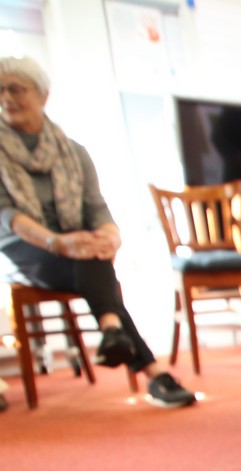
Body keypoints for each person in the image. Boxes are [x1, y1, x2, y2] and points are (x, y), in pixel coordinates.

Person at [0, 56, 195, 408]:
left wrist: (110, 237)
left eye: (16, 89)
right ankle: (142, 362)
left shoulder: (74, 152)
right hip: (23, 246)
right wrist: (57, 241)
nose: (7, 98)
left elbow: (97, 209)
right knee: (90, 260)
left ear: (43, 95)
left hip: (76, 247)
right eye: (1, 90)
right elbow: (7, 216)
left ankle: (114, 334)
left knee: (92, 253)